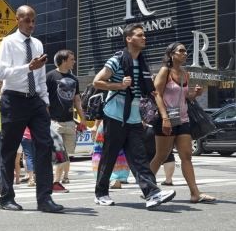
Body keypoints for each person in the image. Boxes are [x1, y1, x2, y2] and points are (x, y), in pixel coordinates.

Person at [92, 23, 176, 208]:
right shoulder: (117, 60)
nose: (144, 38)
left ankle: (152, 193)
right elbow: (97, 81)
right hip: (115, 115)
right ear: (129, 39)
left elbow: (151, 92)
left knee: (138, 157)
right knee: (109, 155)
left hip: (134, 117)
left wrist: (163, 115)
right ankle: (101, 193)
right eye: (139, 35)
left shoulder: (142, 62)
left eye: (144, 35)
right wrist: (119, 85)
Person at [0, 5, 63, 212]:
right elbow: (1, 73)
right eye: (26, 20)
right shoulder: (8, 42)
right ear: (17, 19)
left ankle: (45, 199)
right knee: (9, 150)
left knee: (44, 146)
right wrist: (28, 67)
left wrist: (45, 101)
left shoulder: (37, 44)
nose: (31, 24)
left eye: (33, 20)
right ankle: (6, 197)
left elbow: (41, 76)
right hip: (13, 100)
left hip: (35, 101)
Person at [151, 42, 216, 203]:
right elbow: (156, 94)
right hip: (166, 119)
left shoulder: (185, 74)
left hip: (183, 119)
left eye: (185, 51)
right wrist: (165, 118)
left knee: (186, 156)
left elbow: (184, 98)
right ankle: (147, 186)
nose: (185, 53)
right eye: (181, 51)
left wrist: (195, 94)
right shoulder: (165, 71)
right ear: (171, 54)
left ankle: (195, 193)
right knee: (161, 155)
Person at [46, 49, 87, 192]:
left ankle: (55, 180)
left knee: (67, 154)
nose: (74, 61)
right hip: (54, 122)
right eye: (72, 59)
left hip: (69, 122)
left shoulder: (74, 79)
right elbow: (44, 99)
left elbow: (77, 100)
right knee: (60, 153)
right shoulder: (50, 76)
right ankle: (54, 182)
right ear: (63, 61)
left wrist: (82, 119)